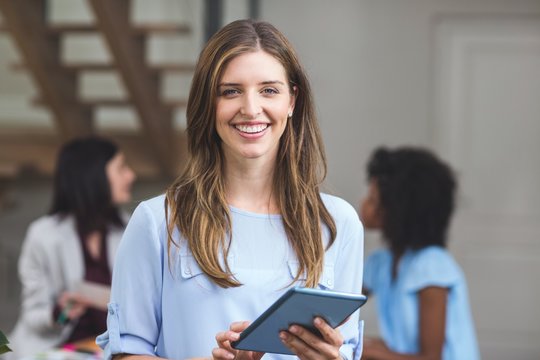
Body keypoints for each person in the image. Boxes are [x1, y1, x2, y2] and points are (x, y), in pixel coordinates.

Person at [96, 19, 364, 360]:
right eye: (231, 91)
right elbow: (125, 353)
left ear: (292, 101)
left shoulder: (339, 224)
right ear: (209, 103)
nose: (251, 109)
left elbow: (349, 350)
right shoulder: (157, 221)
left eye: (269, 90)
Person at [8, 136, 136, 359]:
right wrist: (62, 313)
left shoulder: (131, 229)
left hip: (112, 349)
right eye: (121, 167)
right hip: (59, 348)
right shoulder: (43, 236)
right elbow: (33, 316)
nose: (130, 175)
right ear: (93, 177)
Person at [359, 147, 480, 360]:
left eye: (372, 197)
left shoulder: (431, 265)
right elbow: (335, 303)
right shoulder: (380, 263)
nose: (363, 205)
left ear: (397, 208)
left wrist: (367, 350)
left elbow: (431, 358)